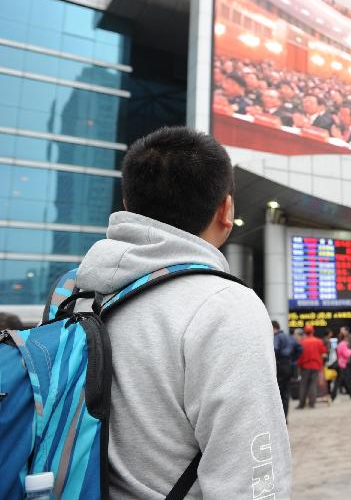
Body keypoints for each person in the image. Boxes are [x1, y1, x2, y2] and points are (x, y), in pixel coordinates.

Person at [72, 126, 291, 497]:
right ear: (227, 209)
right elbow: (251, 479)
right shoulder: (223, 304)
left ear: (128, 204)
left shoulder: (76, 294)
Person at [297, 324, 327, 409]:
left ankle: (301, 404)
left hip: (305, 366)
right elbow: (323, 353)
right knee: (313, 385)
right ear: (313, 331)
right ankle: (312, 403)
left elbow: (300, 355)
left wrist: (299, 364)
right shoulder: (318, 341)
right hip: (315, 366)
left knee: (303, 385)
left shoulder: (302, 342)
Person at [272, 320, 294, 417]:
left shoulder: (276, 337)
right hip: (288, 366)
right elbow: (299, 348)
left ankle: (280, 417)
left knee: (279, 393)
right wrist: (294, 360)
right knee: (286, 394)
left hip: (280, 366)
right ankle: (285, 416)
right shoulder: (287, 337)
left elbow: (275, 349)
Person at [332, 331, 351, 400]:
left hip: (340, 364)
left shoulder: (339, 344)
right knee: (339, 381)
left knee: (344, 380)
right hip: (342, 364)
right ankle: (333, 396)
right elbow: (346, 354)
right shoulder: (344, 344)